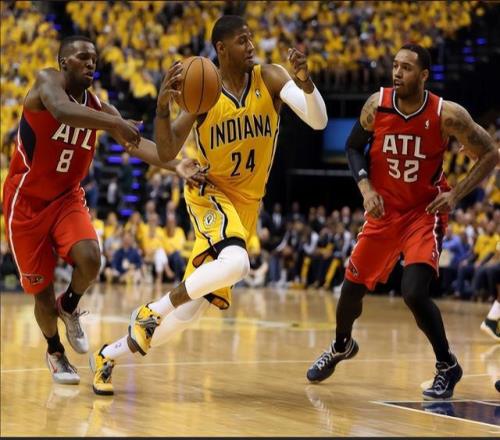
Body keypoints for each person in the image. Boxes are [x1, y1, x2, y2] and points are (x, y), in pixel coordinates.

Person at [90, 14, 328, 395]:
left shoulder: (270, 77)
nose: (251, 46)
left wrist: (306, 83)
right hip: (210, 193)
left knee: (186, 315)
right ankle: (152, 309)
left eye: (251, 39)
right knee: (238, 264)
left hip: (247, 206)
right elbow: (166, 150)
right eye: (242, 40)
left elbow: (317, 121)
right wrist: (162, 109)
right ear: (221, 48)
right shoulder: (205, 90)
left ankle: (108, 354)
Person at [2, 35, 204, 385]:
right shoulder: (47, 81)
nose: (91, 63)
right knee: (42, 293)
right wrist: (112, 123)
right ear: (64, 63)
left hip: (66, 197)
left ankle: (70, 306)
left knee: (92, 259)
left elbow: (136, 144)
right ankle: (55, 351)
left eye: (94, 58)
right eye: (82, 57)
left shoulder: (100, 107)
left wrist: (177, 165)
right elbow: (61, 110)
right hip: (27, 202)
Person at [306, 44, 498, 400]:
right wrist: (366, 188)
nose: (397, 73)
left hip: (424, 214)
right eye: (395, 65)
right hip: (384, 212)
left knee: (413, 292)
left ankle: (447, 365)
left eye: (406, 68)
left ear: (423, 75)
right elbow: (352, 147)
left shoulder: (446, 114)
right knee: (350, 290)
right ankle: (341, 345)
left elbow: (490, 153)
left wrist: (455, 195)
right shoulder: (376, 105)